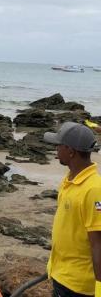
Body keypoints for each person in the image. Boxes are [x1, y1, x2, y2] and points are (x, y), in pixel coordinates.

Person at [44, 122, 101, 297]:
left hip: (78, 286)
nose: (56, 149)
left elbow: (98, 243)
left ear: (70, 151)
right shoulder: (69, 179)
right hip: (61, 274)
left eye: (58, 145)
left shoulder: (94, 189)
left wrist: (99, 288)